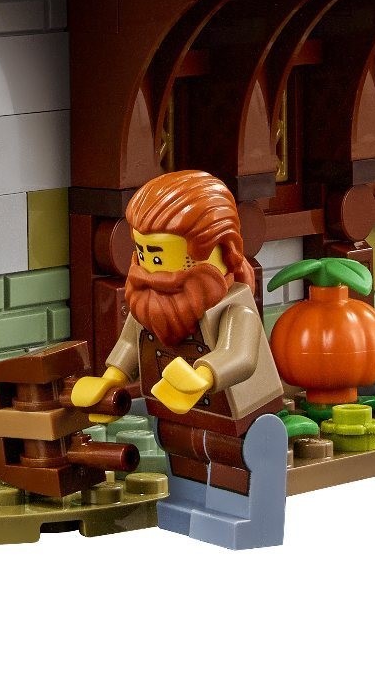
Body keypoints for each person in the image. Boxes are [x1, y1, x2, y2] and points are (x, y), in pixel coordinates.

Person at [69, 168, 288, 547]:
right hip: (177, 412)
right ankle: (187, 505)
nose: (150, 271)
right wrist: (110, 379)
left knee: (232, 461)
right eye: (142, 254)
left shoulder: (235, 308)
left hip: (236, 416)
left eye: (161, 256)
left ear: (218, 250)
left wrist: (203, 375)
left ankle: (241, 516)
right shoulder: (150, 305)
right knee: (182, 454)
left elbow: (240, 356)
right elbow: (129, 343)